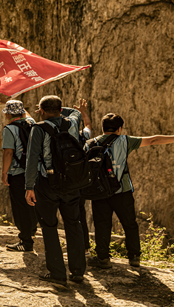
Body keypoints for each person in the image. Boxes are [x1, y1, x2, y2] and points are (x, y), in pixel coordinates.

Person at [89, 113, 174, 269]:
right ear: (119, 129)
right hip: (122, 191)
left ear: (103, 128)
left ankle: (103, 258)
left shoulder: (91, 143)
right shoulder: (125, 141)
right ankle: (134, 257)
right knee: (130, 224)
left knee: (101, 224)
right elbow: (153, 140)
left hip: (98, 192)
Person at [25, 96, 89, 286]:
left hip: (48, 184)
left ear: (41, 111)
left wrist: (29, 187)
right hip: (72, 182)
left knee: (49, 227)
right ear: (60, 110)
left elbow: (32, 159)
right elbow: (75, 112)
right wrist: (58, 109)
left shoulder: (38, 128)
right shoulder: (73, 122)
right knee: (73, 224)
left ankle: (58, 274)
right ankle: (77, 271)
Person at [0, 99, 38, 252]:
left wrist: (4, 173)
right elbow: (27, 115)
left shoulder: (9, 129)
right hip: (34, 171)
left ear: (8, 114)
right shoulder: (31, 123)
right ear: (22, 112)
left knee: (20, 206)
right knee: (32, 203)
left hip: (17, 172)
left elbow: (8, 152)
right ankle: (32, 232)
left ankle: (26, 241)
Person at [78, 102, 95, 257]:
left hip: (62, 182)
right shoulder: (83, 136)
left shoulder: (60, 136)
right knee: (80, 215)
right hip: (80, 181)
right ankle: (84, 248)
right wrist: (83, 112)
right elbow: (88, 124)